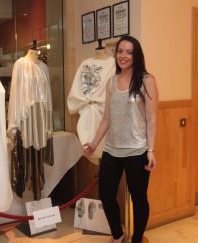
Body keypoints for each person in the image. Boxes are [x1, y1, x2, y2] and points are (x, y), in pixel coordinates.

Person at [83, 35, 158, 243]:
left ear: (136, 56)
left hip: (137, 150)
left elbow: (152, 120)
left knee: (139, 199)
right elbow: (106, 118)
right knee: (106, 196)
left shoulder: (147, 81)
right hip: (112, 149)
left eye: (128, 52)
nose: (123, 56)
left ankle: (137, 239)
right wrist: (94, 143)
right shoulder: (111, 82)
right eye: (120, 51)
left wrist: (151, 150)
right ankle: (118, 236)